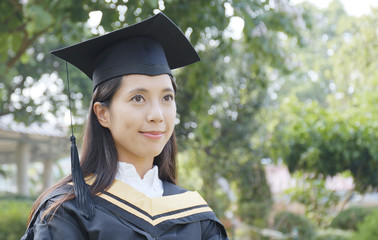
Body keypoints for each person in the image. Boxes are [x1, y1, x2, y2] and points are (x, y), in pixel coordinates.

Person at [21, 12, 229, 240]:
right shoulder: (66, 212)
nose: (157, 115)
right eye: (138, 98)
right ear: (102, 114)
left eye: (167, 98)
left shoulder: (196, 216)